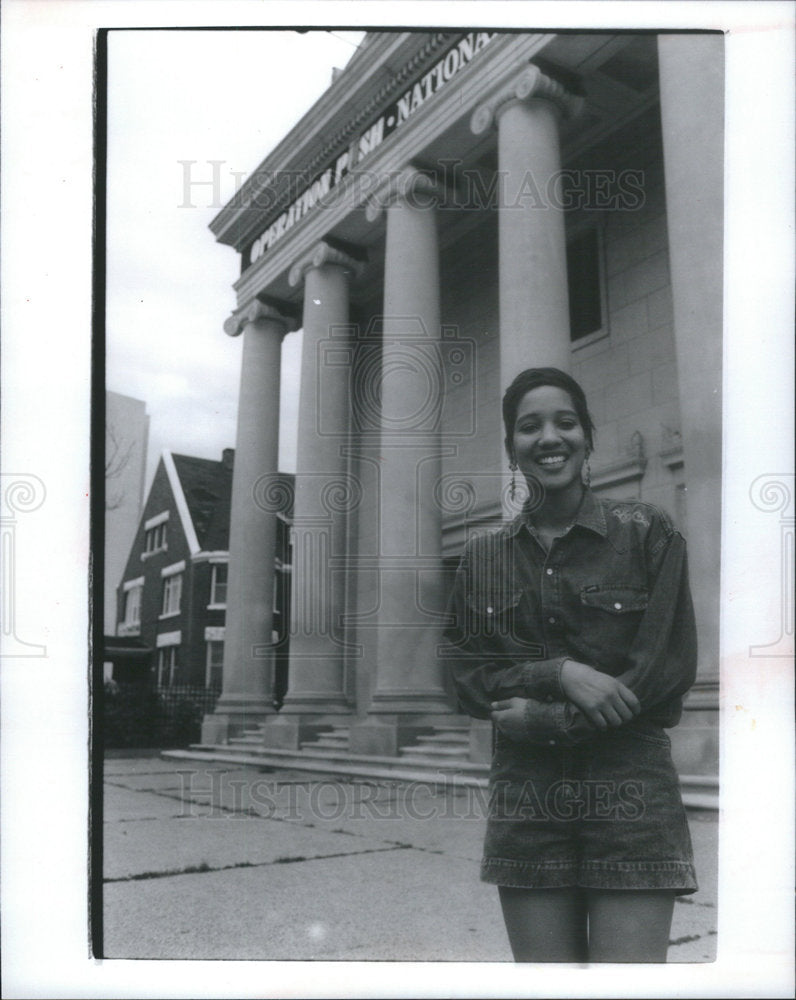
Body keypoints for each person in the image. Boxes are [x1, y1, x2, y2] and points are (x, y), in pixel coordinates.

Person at [443, 367, 698, 963]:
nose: (549, 437)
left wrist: (547, 721)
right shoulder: (482, 557)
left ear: (588, 437)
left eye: (566, 421)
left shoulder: (648, 533)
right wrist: (555, 673)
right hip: (528, 804)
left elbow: (663, 673)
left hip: (630, 799)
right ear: (511, 448)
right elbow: (462, 675)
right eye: (529, 427)